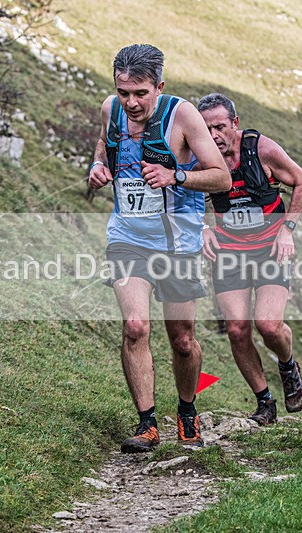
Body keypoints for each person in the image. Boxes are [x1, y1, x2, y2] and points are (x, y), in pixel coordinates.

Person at [88, 45, 230, 453]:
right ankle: (147, 423)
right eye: (123, 92)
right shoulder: (110, 109)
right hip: (127, 237)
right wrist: (98, 167)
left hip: (178, 242)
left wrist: (176, 176)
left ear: (159, 87)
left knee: (182, 338)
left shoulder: (182, 116)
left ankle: (187, 412)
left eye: (140, 93)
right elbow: (103, 145)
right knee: (135, 326)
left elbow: (220, 178)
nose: (130, 102)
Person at [197, 93, 302, 425]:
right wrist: (203, 226)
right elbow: (179, 192)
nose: (214, 135)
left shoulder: (262, 150)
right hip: (230, 252)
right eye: (206, 129)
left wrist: (287, 229)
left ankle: (288, 367)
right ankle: (265, 402)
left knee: (268, 325)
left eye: (220, 126)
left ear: (235, 124)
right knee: (236, 329)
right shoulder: (200, 157)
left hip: (269, 250)